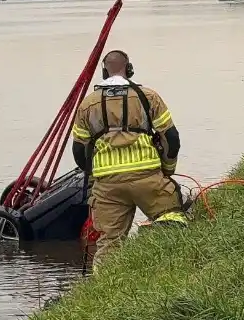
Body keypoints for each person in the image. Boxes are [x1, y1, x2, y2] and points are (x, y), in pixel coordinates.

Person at [71, 50, 187, 262]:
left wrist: (94, 177)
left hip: (108, 186)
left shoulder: (87, 104)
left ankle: (105, 289)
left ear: (104, 72)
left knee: (109, 244)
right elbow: (171, 138)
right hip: (148, 179)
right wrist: (167, 171)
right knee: (172, 218)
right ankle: (174, 268)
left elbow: (79, 151)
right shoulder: (148, 97)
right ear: (130, 69)